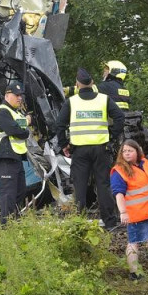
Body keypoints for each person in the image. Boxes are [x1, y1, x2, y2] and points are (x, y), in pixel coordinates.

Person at [55, 68, 125, 230]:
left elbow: (59, 124)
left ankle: (79, 222)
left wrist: (64, 144)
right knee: (103, 184)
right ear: (92, 83)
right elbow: (120, 117)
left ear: (77, 84)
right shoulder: (104, 99)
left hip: (79, 151)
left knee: (79, 186)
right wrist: (111, 136)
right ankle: (110, 222)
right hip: (101, 149)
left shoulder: (71, 102)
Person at [111, 139, 148, 280]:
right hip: (136, 213)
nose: (127, 153)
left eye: (130, 150)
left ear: (137, 151)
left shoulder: (146, 163)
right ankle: (134, 273)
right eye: (124, 151)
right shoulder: (120, 171)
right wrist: (123, 212)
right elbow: (119, 194)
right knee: (134, 242)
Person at [0, 81, 31, 224]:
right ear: (8, 95)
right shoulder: (2, 112)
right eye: (17, 95)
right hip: (5, 156)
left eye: (21, 96)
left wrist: (23, 126)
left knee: (20, 191)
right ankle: (7, 226)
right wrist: (25, 129)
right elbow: (15, 130)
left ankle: (14, 221)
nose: (20, 98)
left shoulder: (15, 112)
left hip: (15, 157)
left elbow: (19, 127)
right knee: (8, 194)